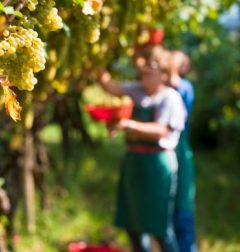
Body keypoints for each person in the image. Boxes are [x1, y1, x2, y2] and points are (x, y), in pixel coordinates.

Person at [99, 46, 186, 252]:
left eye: (152, 66)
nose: (145, 69)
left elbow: (161, 130)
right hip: (134, 163)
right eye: (145, 65)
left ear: (164, 74)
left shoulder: (169, 98)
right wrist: (99, 64)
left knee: (160, 228)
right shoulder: (136, 89)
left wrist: (130, 125)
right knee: (133, 224)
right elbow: (110, 87)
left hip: (157, 166)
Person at [169, 51, 197, 252]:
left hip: (180, 149)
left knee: (182, 205)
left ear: (184, 68)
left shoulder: (185, 87)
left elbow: (173, 82)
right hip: (166, 149)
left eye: (176, 60)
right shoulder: (161, 85)